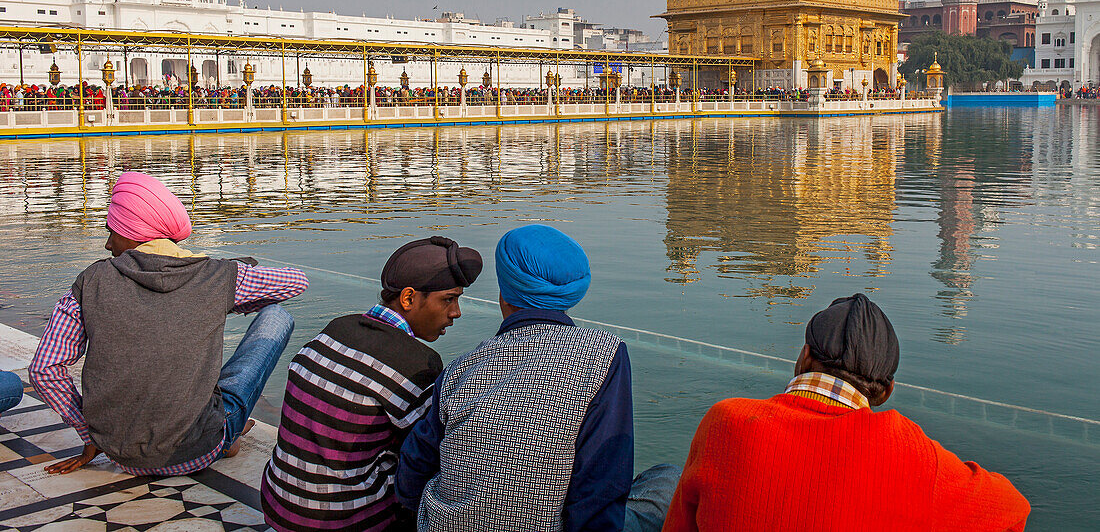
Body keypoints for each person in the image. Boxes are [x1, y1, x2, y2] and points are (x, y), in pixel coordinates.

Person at [661, 294, 1031, 532]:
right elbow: (1014, 511)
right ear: (885, 392)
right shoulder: (914, 456)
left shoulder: (726, 422)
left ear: (804, 357)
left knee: (663, 481)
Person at [397, 224, 679, 532]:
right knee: (669, 481)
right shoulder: (605, 355)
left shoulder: (461, 368)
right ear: (571, 294)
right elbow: (600, 485)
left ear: (505, 295)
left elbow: (412, 473)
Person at [30, 171, 307, 476]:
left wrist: (90, 434)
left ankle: (225, 428)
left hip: (119, 456)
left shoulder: (91, 281)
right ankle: (228, 432)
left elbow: (44, 370)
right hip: (198, 451)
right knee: (276, 316)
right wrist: (228, 291)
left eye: (113, 232)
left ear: (135, 232)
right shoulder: (216, 275)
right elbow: (296, 282)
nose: (108, 244)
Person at [261, 236, 482, 532]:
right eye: (448, 299)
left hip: (278, 507)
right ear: (408, 299)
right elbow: (425, 460)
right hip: (342, 522)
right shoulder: (417, 364)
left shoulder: (336, 328)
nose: (456, 313)